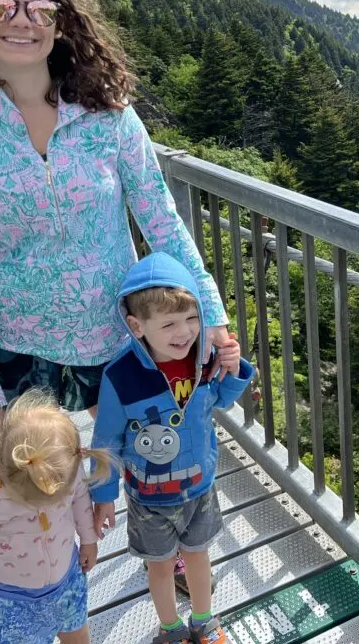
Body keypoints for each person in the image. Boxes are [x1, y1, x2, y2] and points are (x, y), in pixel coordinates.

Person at [0, 0, 234, 482]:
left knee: (152, 465)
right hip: (17, 347)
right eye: (2, 7)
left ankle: (166, 558)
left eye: (39, 10)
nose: (21, 22)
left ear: (60, 23)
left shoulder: (109, 117)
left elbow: (160, 220)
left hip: (118, 335)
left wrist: (208, 310)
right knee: (36, 491)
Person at [90, 251, 253, 644]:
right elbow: (106, 441)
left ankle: (204, 620)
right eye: (169, 324)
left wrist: (234, 369)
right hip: (148, 496)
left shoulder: (202, 356)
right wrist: (104, 496)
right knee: (160, 566)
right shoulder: (120, 376)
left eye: (192, 318)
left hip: (199, 486)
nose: (184, 332)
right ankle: (170, 628)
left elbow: (218, 401)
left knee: (198, 556)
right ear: (137, 325)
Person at [0, 390, 110, 643]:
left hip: (68, 578)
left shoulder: (62, 461)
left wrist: (88, 539)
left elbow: (79, 498)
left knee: (77, 631)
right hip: (13, 600)